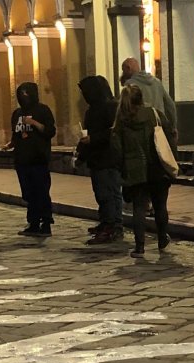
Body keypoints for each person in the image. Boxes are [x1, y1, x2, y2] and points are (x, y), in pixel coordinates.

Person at [112, 84, 176, 258]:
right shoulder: (154, 114)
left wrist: (122, 169)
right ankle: (162, 238)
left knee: (139, 208)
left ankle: (139, 247)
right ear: (141, 98)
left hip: (135, 170)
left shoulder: (121, 122)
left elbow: (117, 150)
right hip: (158, 167)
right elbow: (169, 137)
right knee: (160, 206)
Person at [77, 75, 123, 245]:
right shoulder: (92, 110)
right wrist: (81, 153)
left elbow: (114, 131)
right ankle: (107, 222)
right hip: (96, 157)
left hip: (108, 157)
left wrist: (94, 139)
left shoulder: (110, 107)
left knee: (108, 193)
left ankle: (112, 226)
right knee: (102, 193)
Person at [8, 82, 56, 237]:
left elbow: (50, 131)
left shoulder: (43, 110)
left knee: (41, 192)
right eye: (21, 94)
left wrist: (34, 123)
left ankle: (46, 223)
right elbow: (16, 134)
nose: (24, 97)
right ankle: (33, 223)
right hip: (22, 160)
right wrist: (10, 144)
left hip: (38, 159)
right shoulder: (17, 113)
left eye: (26, 93)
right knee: (28, 193)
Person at [121, 58, 178, 139]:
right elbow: (170, 105)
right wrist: (173, 127)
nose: (123, 73)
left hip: (141, 130)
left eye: (123, 70)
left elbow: (125, 109)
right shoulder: (157, 82)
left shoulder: (130, 85)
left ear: (128, 68)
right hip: (159, 127)